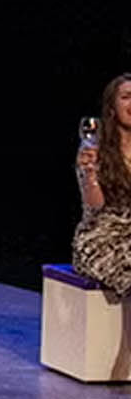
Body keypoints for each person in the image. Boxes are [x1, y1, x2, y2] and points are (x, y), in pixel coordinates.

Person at [72, 74, 131, 295]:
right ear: (112, 107)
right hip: (102, 238)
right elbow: (94, 206)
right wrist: (90, 175)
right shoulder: (94, 147)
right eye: (126, 97)